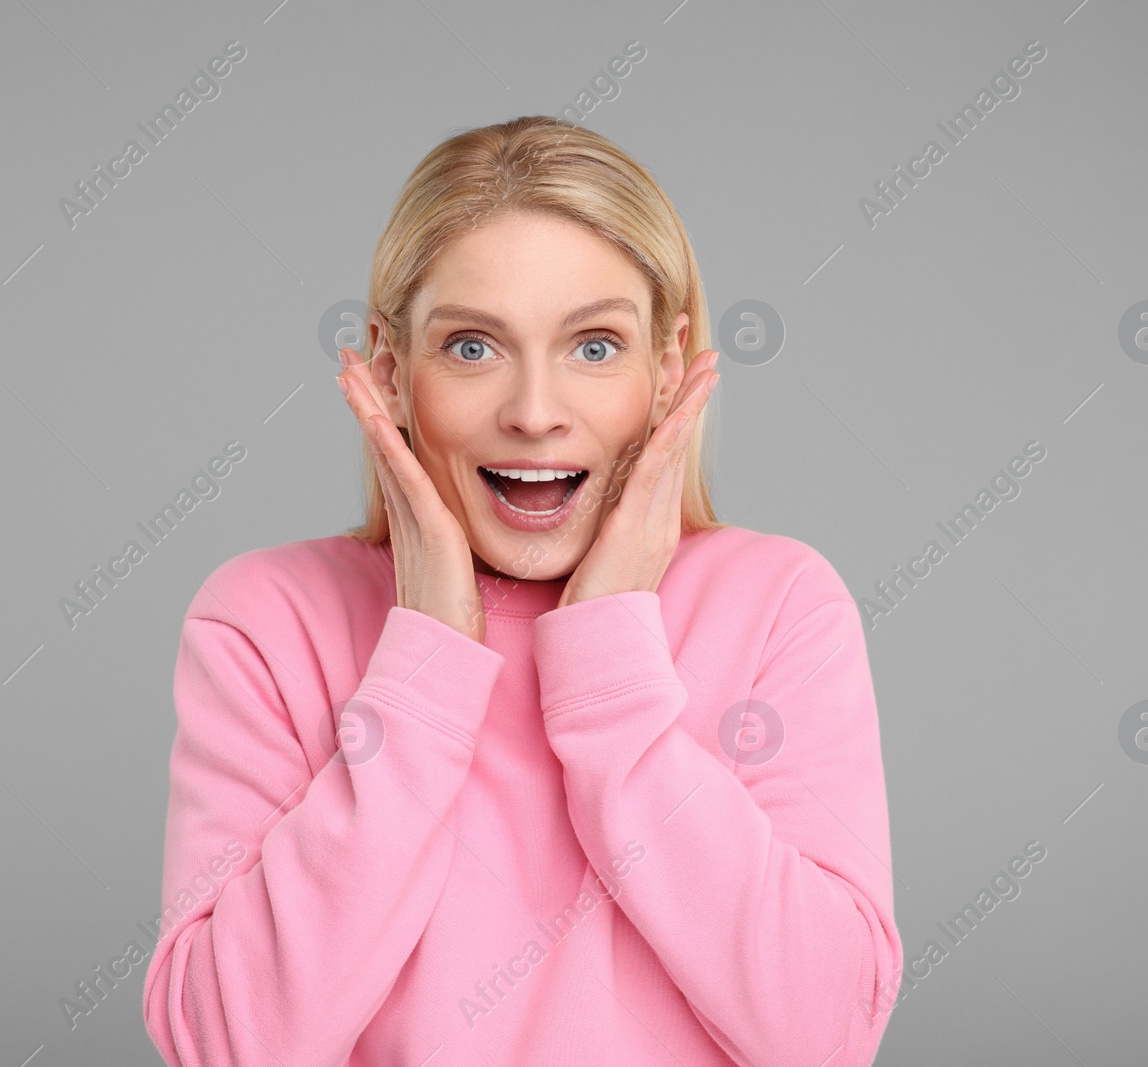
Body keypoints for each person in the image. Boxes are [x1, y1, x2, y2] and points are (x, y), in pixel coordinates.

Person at [143, 115, 902, 1066]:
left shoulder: (782, 604)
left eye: (594, 347)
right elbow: (227, 1044)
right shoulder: (264, 620)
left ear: (668, 370)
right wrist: (424, 658)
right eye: (471, 347)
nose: (535, 412)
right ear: (389, 372)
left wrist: (613, 673)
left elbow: (824, 1034)